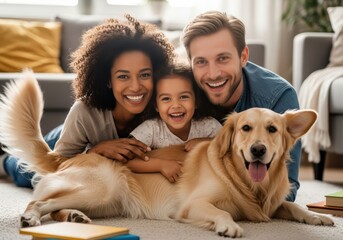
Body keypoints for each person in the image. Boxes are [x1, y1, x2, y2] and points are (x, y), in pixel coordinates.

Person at [0, 14, 175, 188]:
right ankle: (5, 161)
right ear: (108, 80)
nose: (136, 87)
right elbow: (55, 170)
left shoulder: (165, 106)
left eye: (145, 75)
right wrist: (95, 151)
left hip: (80, 142)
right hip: (73, 138)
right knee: (28, 175)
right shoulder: (84, 110)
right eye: (123, 76)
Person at [180, 11, 301, 202]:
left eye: (223, 58)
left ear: (243, 56)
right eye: (201, 62)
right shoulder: (179, 93)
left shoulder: (278, 98)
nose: (212, 74)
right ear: (191, 64)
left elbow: (287, 192)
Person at [127, 64, 222, 183]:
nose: (176, 105)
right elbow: (128, 160)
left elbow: (230, 145)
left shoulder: (208, 125)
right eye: (166, 99)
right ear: (156, 105)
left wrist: (207, 142)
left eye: (183, 97)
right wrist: (161, 165)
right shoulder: (152, 129)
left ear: (196, 101)